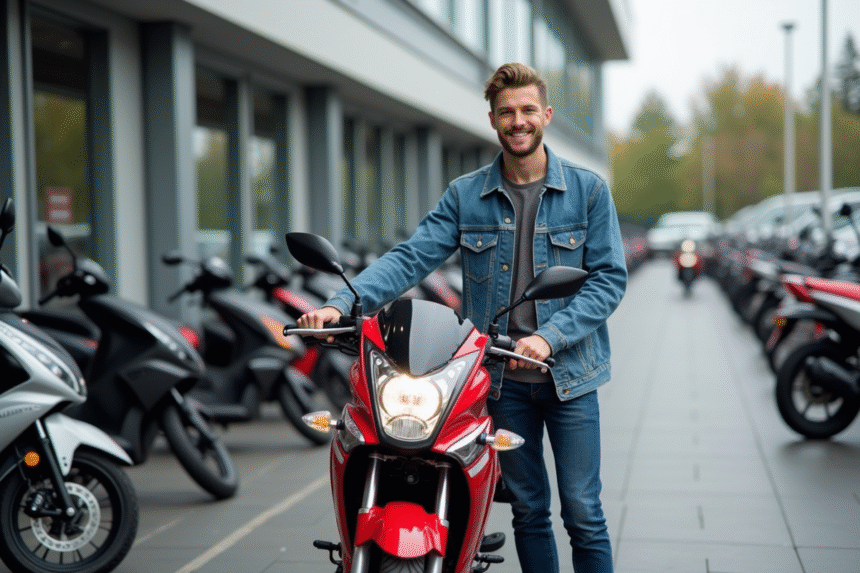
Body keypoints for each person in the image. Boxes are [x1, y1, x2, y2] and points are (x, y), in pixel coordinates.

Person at [297, 62, 627, 573]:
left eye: (528, 111)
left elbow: (608, 278)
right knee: (529, 510)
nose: (518, 121)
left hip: (570, 376)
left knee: (583, 511)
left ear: (547, 116)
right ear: (493, 119)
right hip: (498, 380)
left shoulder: (588, 191)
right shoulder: (465, 194)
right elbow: (411, 257)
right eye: (506, 113)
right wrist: (342, 302)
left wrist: (550, 337)